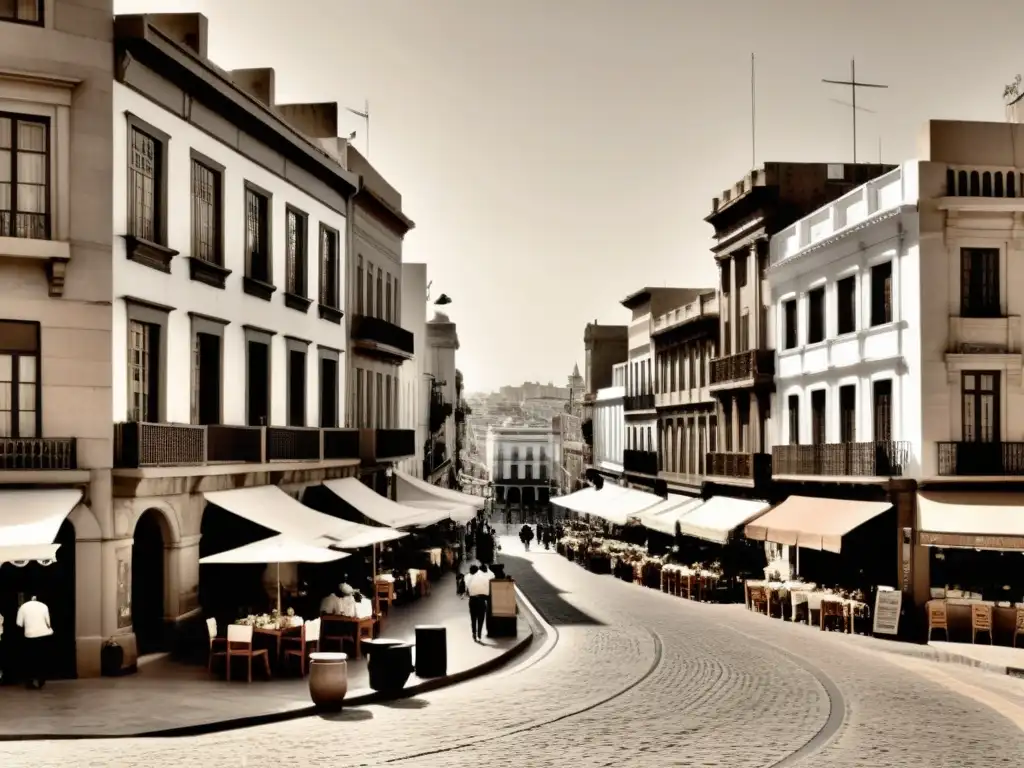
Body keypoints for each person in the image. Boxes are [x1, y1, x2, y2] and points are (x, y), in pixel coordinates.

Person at [16, 596, 53, 689]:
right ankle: (41, 678)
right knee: (42, 657)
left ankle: (30, 680)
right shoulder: (44, 606)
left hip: (30, 635)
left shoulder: (23, 607)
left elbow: (19, 623)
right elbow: (48, 622)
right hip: (44, 634)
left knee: (30, 659)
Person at [464, 565, 489, 641]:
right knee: (481, 619)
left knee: (473, 618)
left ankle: (474, 633)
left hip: (472, 601)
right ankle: (479, 634)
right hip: (481, 601)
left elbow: (467, 592)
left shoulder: (469, 579)